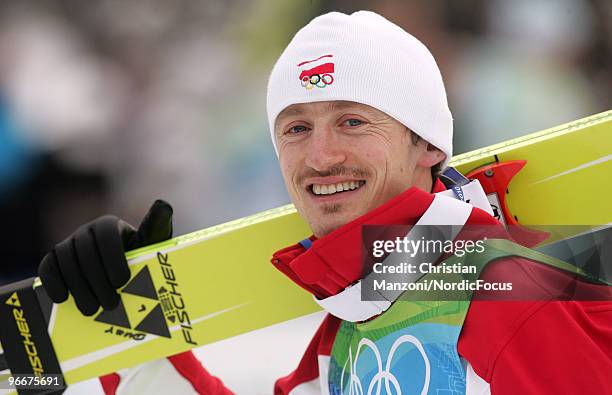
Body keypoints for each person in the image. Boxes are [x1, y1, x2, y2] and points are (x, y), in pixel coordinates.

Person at [38, 11, 612, 395]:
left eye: (353, 121)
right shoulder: (356, 316)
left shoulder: (507, 293)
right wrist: (132, 326)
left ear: (428, 145)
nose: (320, 157)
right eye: (296, 129)